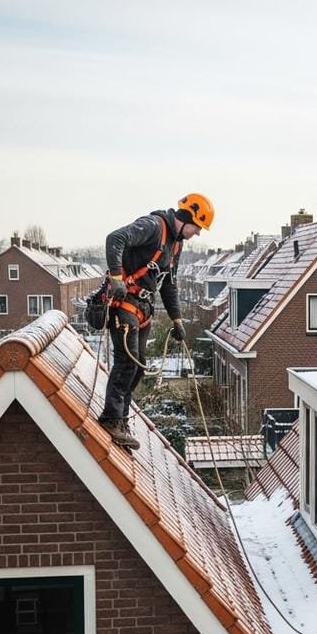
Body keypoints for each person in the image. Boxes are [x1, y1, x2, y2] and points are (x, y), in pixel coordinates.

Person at [99, 192, 214, 450]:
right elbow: (115, 238)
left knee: (138, 366)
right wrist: (117, 278)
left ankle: (121, 419)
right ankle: (111, 418)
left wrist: (177, 319)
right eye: (197, 227)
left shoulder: (175, 244)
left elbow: (169, 283)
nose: (197, 233)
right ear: (187, 218)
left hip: (144, 308)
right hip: (124, 302)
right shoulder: (152, 227)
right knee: (127, 361)